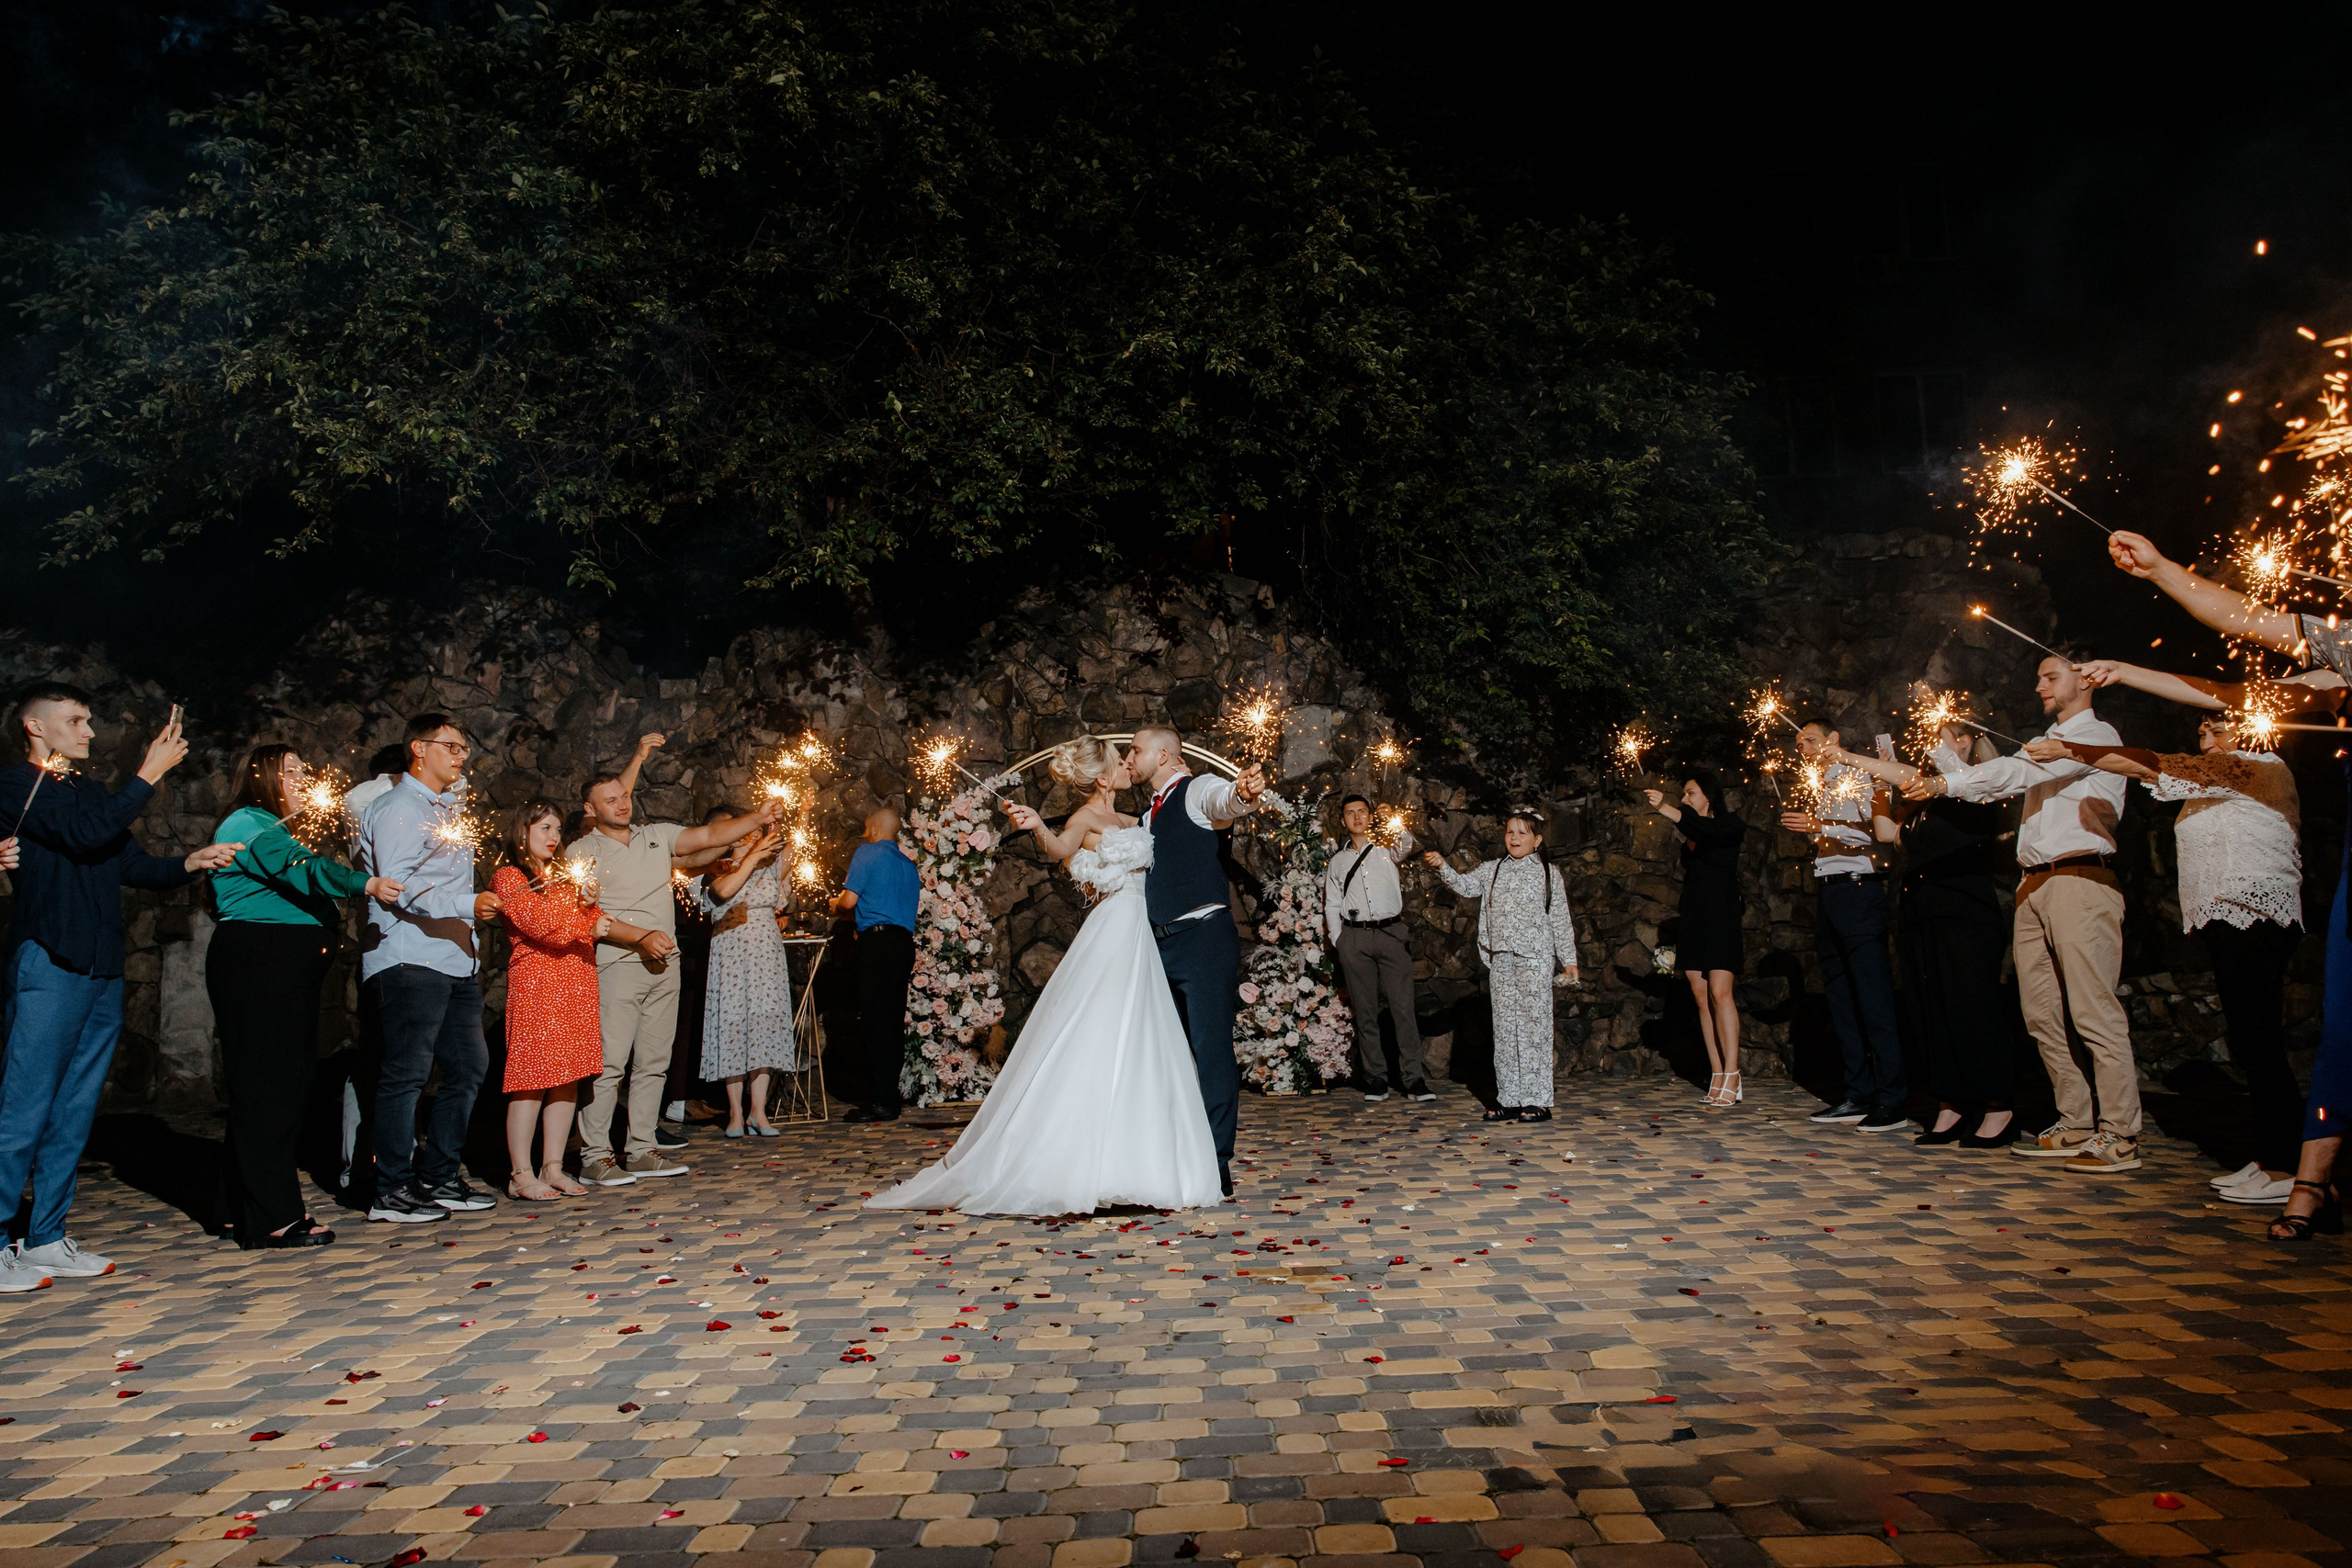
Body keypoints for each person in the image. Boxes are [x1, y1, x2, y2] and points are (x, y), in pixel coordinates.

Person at [874, 736, 1221, 1213]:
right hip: (1115, 928)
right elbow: (1061, 849)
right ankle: (1073, 1158)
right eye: (1121, 762)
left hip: (1144, 931)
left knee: (1142, 1034)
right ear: (1102, 777)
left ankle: (1136, 1155)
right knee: (1098, 1030)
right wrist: (1037, 824)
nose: (1128, 767)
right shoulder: (1084, 818)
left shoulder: (1136, 819)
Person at [0, 687, 240, 1290]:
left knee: (75, 1108)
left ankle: (47, 1237)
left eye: (88, 720)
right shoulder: (15, 787)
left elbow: (123, 862)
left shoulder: (86, 794)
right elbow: (84, 837)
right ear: (34, 726)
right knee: (22, 1107)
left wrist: (189, 861)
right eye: (74, 721)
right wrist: (148, 774)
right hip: (50, 964)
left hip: (100, 971)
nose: (88, 731)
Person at [2041, 702, 2303, 1201]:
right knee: (2252, 1043)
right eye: (2203, 722)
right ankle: (2271, 1156)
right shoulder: (2217, 779)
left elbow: (2148, 764)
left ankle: (2285, 1168)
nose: (2205, 727)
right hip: (2226, 921)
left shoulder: (2256, 767)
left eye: (2218, 723)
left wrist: (2073, 749)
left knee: (2261, 1043)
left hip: (2255, 917)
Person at [1904, 651, 2139, 1172]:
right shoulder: (2047, 743)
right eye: (2037, 677)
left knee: (2093, 1012)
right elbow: (2010, 774)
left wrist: (1945, 779)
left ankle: (2120, 1132)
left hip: (2080, 878)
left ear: (2085, 679)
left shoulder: (2096, 737)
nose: (2039, 686)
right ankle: (2075, 1121)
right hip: (2033, 886)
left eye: (2050, 677)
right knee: (2040, 1015)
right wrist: (1945, 769)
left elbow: (2010, 772)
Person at [209, 744, 403, 1247]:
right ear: (262, 777)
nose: (302, 778)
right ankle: (273, 1216)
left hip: (277, 968)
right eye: (289, 771)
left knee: (271, 1086)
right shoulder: (248, 824)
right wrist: (367, 882)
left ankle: (235, 1207)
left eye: (302, 768)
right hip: (258, 965)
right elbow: (305, 871)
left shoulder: (273, 828)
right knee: (270, 1089)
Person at [566, 732, 775, 1182]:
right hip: (615, 967)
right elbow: (584, 915)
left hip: (666, 966)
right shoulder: (581, 852)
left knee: (654, 1062)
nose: (622, 804)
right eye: (610, 800)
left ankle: (641, 1147)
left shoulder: (656, 835)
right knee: (609, 1065)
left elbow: (709, 835)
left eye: (625, 796)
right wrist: (638, 937)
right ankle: (595, 1157)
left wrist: (756, 817)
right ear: (591, 810)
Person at [1827, 727, 2018, 1146]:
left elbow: (1908, 772)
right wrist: (1878, 784)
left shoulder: (1977, 786)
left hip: (1964, 913)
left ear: (1964, 741)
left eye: (1940, 735)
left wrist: (1844, 755)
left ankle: (1998, 1105)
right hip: (1921, 913)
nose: (1928, 744)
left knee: (1972, 1007)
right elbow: (1885, 833)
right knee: (1931, 1009)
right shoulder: (1926, 801)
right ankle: (1950, 1102)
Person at [355, 712, 505, 1223]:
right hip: (409, 957)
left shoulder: (445, 810)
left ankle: (439, 1175)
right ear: (418, 749)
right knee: (408, 1072)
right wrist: (467, 905)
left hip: (454, 957)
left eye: (464, 748)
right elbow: (397, 884)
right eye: (452, 746)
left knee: (468, 1068)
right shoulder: (399, 806)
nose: (462, 756)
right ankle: (391, 1188)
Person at [1124, 725, 1269, 1196]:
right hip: (1157, 944)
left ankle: (1216, 1162)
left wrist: (1241, 792)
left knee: (1210, 1052)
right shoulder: (1147, 815)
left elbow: (1223, 800)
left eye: (1137, 750)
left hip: (1202, 939)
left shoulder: (1196, 790)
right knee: (1160, 1053)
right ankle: (1168, 1154)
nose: (1130, 757)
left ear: (1164, 755)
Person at [493, 801, 639, 1200]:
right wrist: (586, 918)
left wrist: (590, 904)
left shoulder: (562, 879)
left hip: (576, 980)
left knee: (567, 1077)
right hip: (539, 983)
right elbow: (544, 927)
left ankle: (553, 1166)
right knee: (531, 1080)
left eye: (557, 828)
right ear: (523, 831)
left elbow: (597, 922)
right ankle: (520, 1173)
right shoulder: (509, 878)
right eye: (544, 827)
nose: (554, 836)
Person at [1780, 724, 1911, 1134]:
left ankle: (1892, 1098)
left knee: (1872, 997)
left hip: (1859, 890)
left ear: (1833, 739)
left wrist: (1820, 828)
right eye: (1799, 741)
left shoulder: (1858, 775)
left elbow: (1876, 834)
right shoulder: (1819, 783)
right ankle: (1858, 1092)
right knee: (1840, 996)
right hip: (1830, 891)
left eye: (1811, 739)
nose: (1803, 746)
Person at [1424, 807, 1580, 1123]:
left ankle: (1537, 1100)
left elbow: (1560, 920)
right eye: (1510, 832)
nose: (1515, 838)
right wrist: (1443, 865)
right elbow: (1466, 887)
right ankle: (1509, 1098)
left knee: (1534, 1030)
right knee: (1507, 1031)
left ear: (1537, 840)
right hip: (1502, 960)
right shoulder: (1492, 869)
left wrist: (1569, 960)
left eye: (1523, 833)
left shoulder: (1549, 873)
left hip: (1535, 959)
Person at [1645, 771, 1747, 1106]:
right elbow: (1693, 831)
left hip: (1721, 916)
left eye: (1691, 793)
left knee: (1720, 992)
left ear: (1709, 795)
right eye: (1683, 795)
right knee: (1701, 995)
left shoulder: (1729, 824)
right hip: (1694, 916)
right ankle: (1717, 1073)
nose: (1686, 799)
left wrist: (1666, 807)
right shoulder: (1691, 830)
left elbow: (1706, 830)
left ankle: (1732, 1073)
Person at [1323, 795, 1430, 1104]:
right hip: (1355, 938)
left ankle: (1414, 1079)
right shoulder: (1338, 861)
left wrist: (1392, 819)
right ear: (1343, 821)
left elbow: (1408, 845)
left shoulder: (1386, 848)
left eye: (1362, 812)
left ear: (1370, 817)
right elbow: (1332, 903)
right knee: (1366, 1012)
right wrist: (1339, 938)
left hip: (1390, 933)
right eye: (1350, 813)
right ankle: (1376, 1079)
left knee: (1403, 1010)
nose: (1357, 817)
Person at [698, 822, 798, 1137]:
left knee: (763, 1024)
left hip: (766, 950)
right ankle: (735, 1113)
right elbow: (722, 892)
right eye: (750, 831)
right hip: (731, 949)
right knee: (733, 1023)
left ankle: (758, 1111)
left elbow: (792, 849)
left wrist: (801, 815)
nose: (756, 836)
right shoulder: (719, 868)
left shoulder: (771, 866)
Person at [833, 807, 922, 1123]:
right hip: (902, 945)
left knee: (874, 1022)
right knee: (891, 1022)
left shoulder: (867, 853)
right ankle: (888, 1095)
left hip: (877, 943)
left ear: (872, 829)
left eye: (865, 829)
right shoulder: (908, 866)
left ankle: (881, 1101)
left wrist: (835, 903)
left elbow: (848, 901)